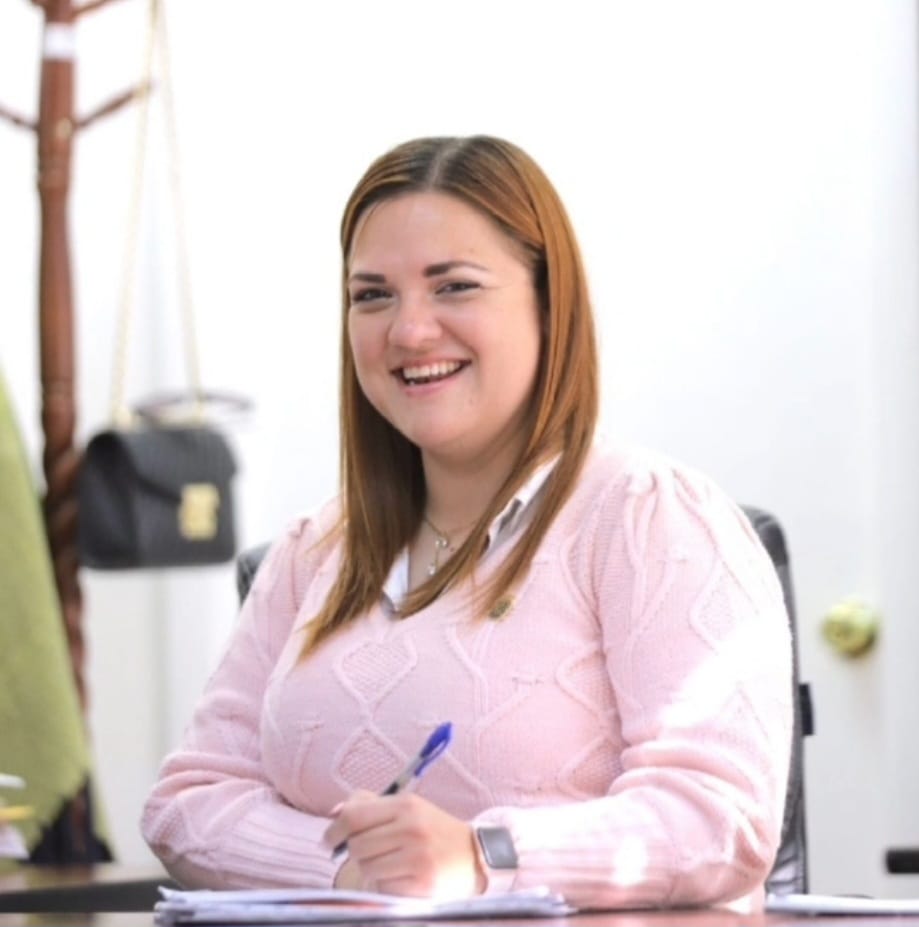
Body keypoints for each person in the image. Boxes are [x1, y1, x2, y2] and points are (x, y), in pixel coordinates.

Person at [141, 135, 792, 911]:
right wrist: (348, 870)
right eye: (372, 295)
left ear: (549, 306)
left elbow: (719, 816)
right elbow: (188, 801)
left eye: (453, 286)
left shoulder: (649, 516)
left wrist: (484, 857)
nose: (408, 331)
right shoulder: (313, 550)